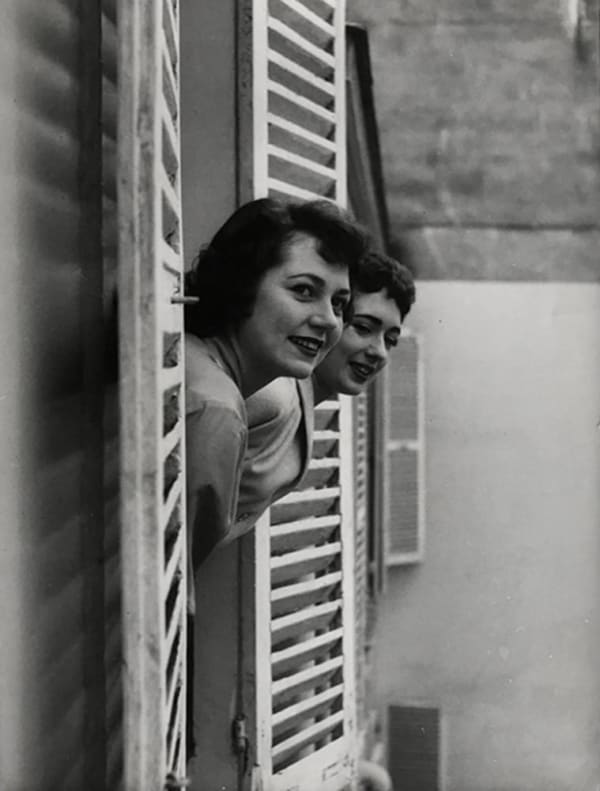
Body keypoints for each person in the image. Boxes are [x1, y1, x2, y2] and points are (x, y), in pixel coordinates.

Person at [183, 197, 368, 758]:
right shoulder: (216, 411)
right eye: (304, 291)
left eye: (339, 302)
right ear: (242, 287)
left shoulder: (204, 371)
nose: (329, 320)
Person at [238, 247, 416, 529]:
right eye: (363, 327)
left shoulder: (296, 401)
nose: (379, 352)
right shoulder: (274, 396)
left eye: (390, 340)